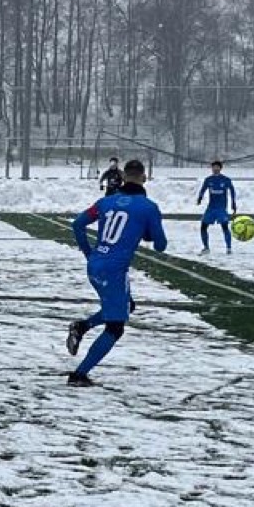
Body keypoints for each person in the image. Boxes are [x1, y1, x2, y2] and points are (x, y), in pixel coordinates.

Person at [65, 158, 168, 387]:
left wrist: (89, 253)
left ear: (122, 177)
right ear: (144, 177)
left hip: (96, 264)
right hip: (114, 270)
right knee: (115, 327)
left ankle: (82, 326)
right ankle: (79, 375)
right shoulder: (148, 207)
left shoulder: (105, 202)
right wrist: (149, 231)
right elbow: (160, 245)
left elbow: (77, 225)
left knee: (126, 306)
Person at [197, 159, 238, 254]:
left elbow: (232, 191)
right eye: (214, 167)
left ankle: (229, 248)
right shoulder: (208, 180)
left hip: (221, 209)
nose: (215, 169)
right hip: (211, 208)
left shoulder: (226, 180)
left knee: (224, 227)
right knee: (203, 227)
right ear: (212, 168)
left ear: (220, 168)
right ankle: (206, 248)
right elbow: (203, 189)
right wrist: (200, 198)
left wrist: (233, 203)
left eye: (217, 167)